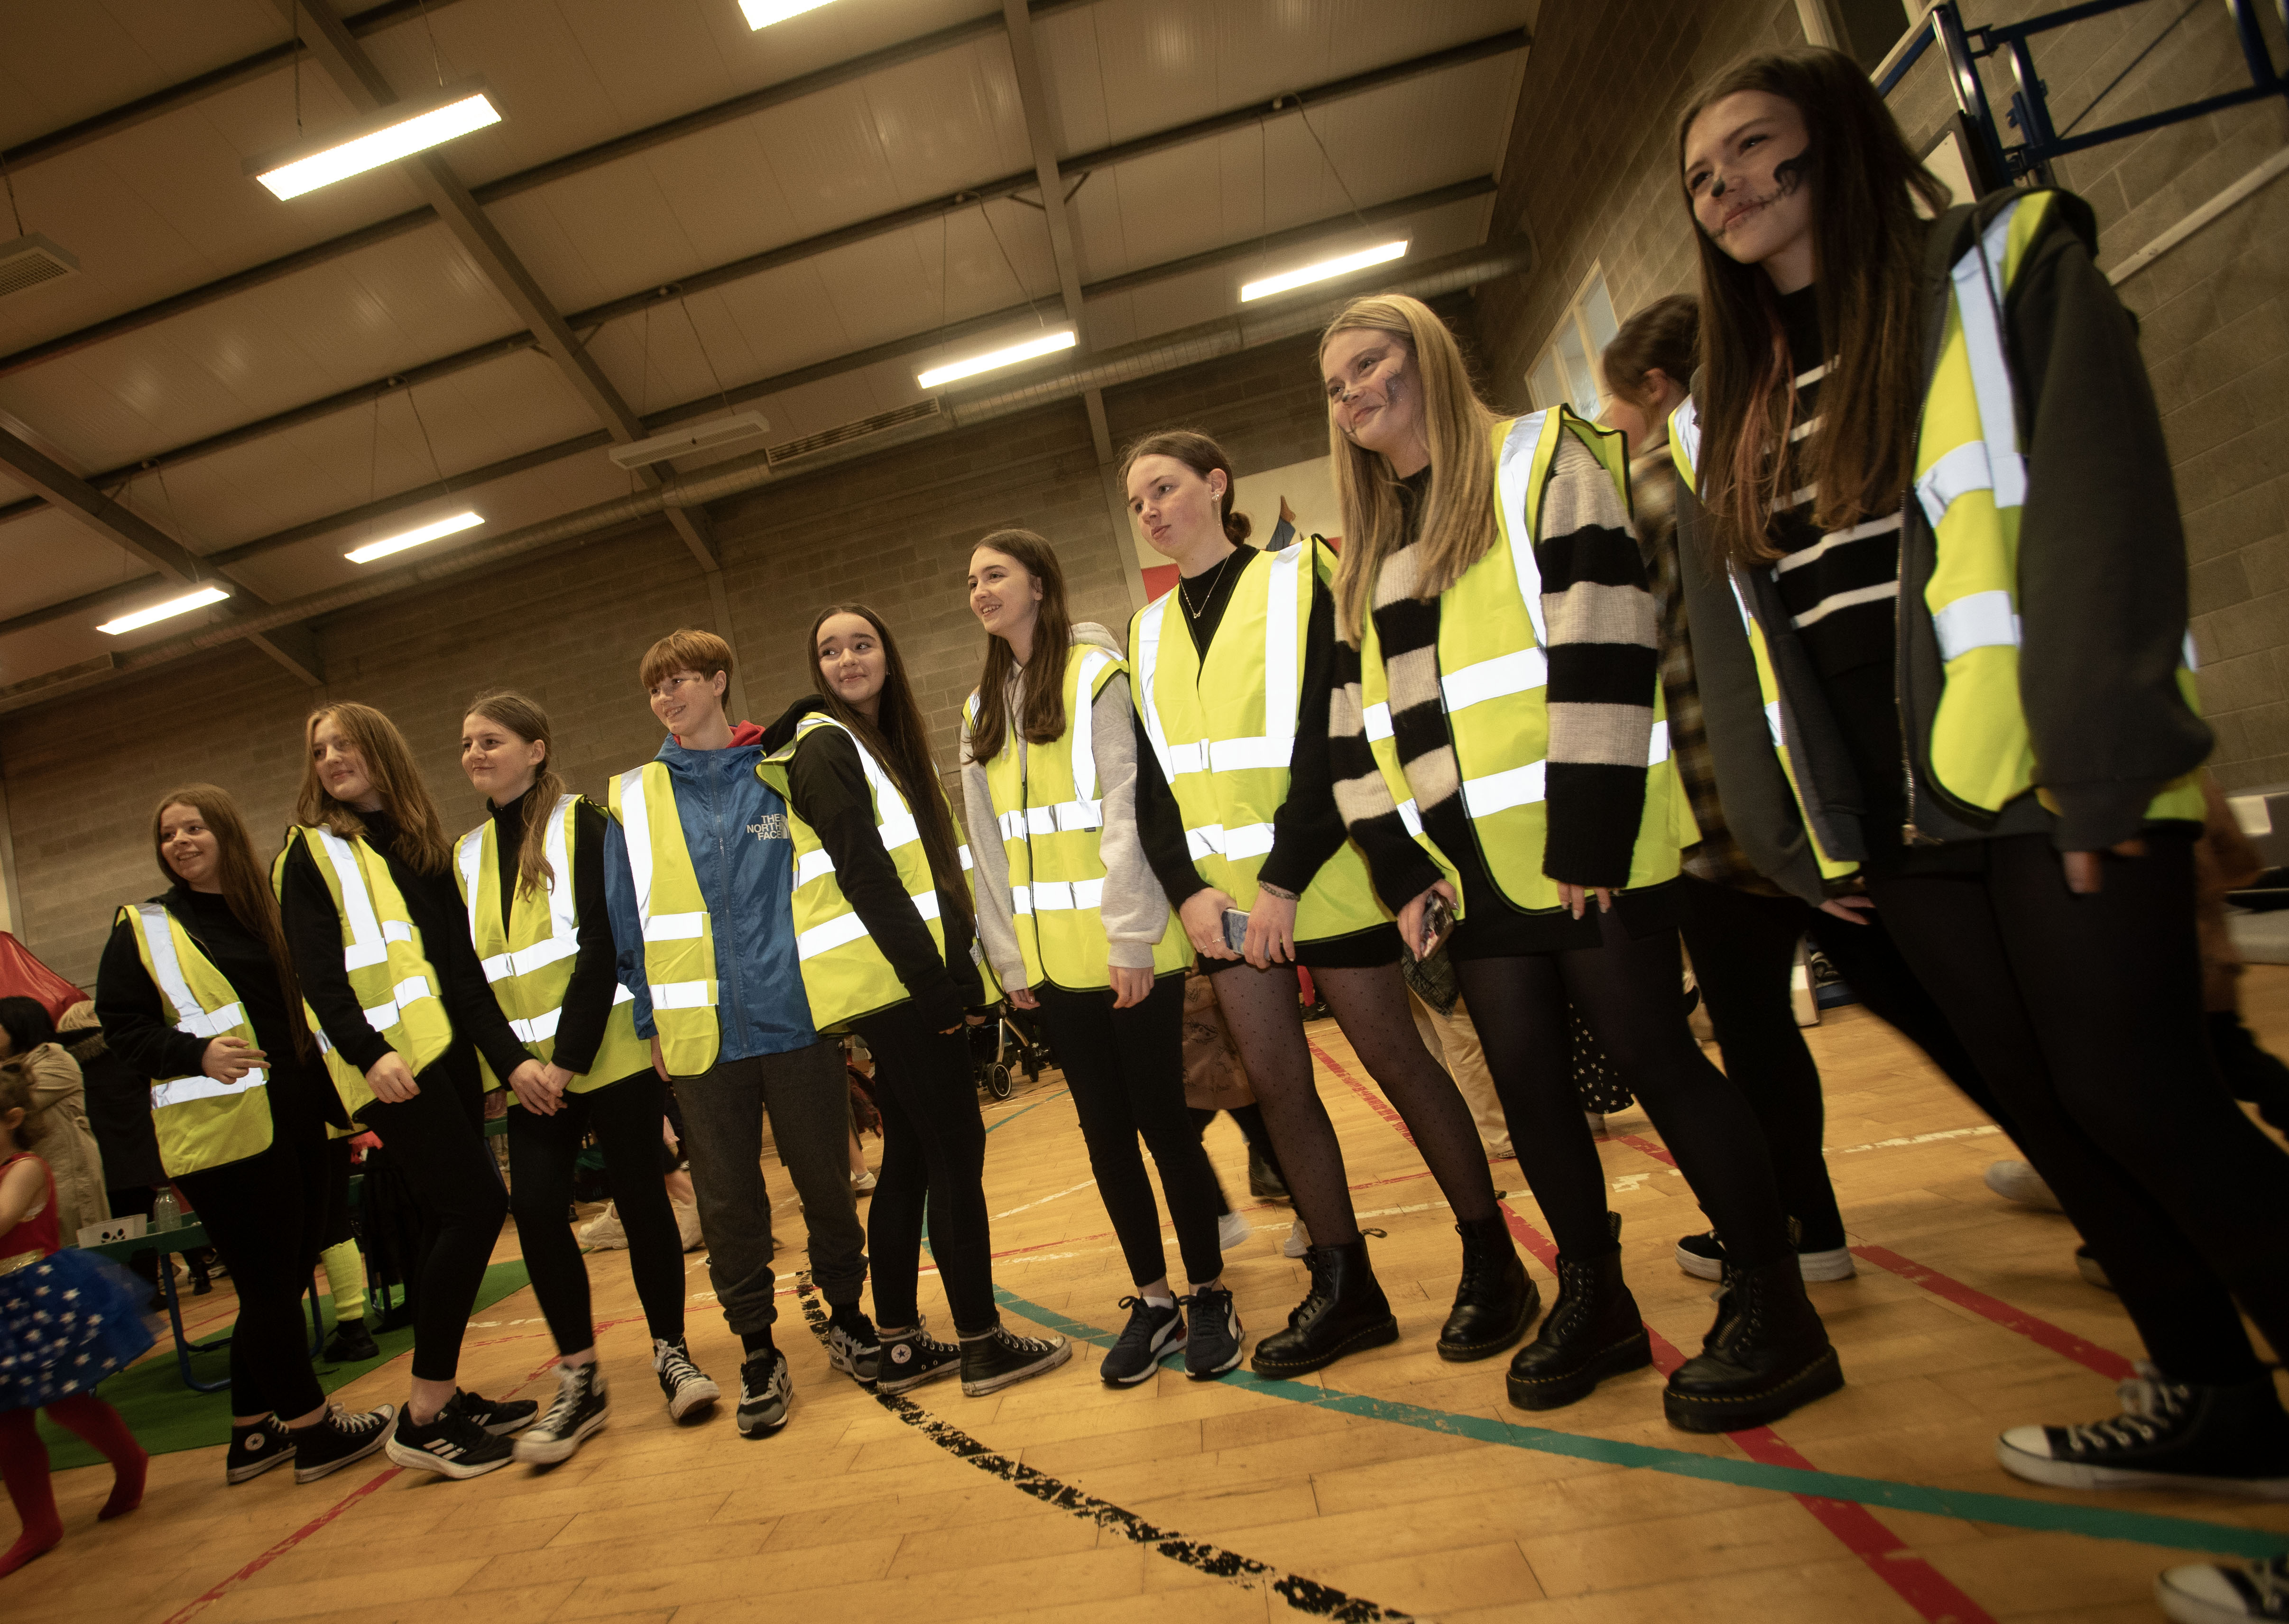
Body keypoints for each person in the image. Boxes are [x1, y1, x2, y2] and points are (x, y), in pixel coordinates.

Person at [1673, 45, 2289, 1535]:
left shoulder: (2003, 270)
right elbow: (1749, 644)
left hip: (2048, 780)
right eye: (1703, 177)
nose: (1729, 186)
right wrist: (1795, 835)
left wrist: (2101, 764)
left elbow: (2102, 512)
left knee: (2152, 1101)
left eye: (1755, 149)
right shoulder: (1731, 397)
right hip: (1894, 825)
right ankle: (2209, 1393)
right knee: (2058, 1115)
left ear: (1832, 140)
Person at [1320, 291, 1841, 1431]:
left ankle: (1776, 1302)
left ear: (1430, 355)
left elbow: (1610, 632)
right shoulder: (1368, 544)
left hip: (1584, 851)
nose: (1354, 392)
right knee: (1528, 1086)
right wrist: (1401, 874)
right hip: (1470, 878)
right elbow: (1348, 735)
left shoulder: (1539, 456)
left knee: (1660, 1060)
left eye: (1371, 363)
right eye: (1336, 381)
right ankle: (1594, 1297)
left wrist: (1591, 831)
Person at [1603, 293, 2011, 1285]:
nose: (1606, 427)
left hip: (1722, 808)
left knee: (1762, 1029)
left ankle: (1807, 1222)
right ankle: (2079, 1169)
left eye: (1611, 406)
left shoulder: (1651, 486)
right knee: (1918, 1002)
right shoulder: (1755, 467)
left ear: (1655, 390)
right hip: (1805, 798)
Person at [1123, 431, 1535, 1376]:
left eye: (1165, 488)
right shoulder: (1145, 629)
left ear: (1216, 484)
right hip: (1223, 909)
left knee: (1397, 1057)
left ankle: (1493, 1261)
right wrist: (1186, 890)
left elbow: (1330, 733)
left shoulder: (1301, 571)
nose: (1148, 509)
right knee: (1279, 1086)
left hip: (1327, 873)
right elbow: (1152, 781)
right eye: (1137, 499)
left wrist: (1283, 881)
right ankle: (1348, 1286)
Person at [757, 604, 1071, 1397]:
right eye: (829, 650)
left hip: (901, 978)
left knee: (908, 1159)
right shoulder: (827, 746)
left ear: (886, 657)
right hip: (893, 982)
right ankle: (981, 1341)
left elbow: (936, 873)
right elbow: (867, 876)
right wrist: (937, 989)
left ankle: (897, 1341)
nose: (847, 659)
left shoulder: (882, 748)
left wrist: (959, 972)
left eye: (860, 644)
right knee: (955, 1155)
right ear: (817, 669)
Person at [958, 531, 1243, 1385]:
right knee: (1105, 1140)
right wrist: (1008, 962)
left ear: (1040, 584)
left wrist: (1127, 936)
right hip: (1051, 971)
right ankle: (1153, 1299)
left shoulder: (1096, 678)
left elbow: (1127, 809)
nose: (979, 591)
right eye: (971, 581)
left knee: (1165, 1129)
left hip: (1129, 958)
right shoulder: (978, 711)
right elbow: (988, 848)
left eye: (995, 575)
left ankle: (1207, 1293)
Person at [602, 629, 877, 1440]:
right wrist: (651, 1021)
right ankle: (758, 1350)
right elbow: (627, 923)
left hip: (796, 1020)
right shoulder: (635, 796)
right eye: (655, 689)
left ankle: (851, 1319)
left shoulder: (781, 772)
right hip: (702, 1042)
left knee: (828, 1184)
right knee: (728, 1207)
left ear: (719, 682)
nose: (666, 698)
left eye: (680, 680)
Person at [95, 787, 397, 1489]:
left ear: (226, 831)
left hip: (303, 1117)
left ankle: (252, 1434)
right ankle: (314, 1432)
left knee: (288, 1278)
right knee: (265, 1284)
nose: (180, 841)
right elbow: (123, 1028)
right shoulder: (144, 926)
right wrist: (193, 1054)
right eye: (168, 833)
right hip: (223, 1132)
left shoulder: (270, 909)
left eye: (194, 827)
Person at [454, 693, 721, 1463]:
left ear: (535, 748)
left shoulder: (587, 824)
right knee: (536, 1208)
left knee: (643, 1202)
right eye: (467, 744)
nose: (475, 753)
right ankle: (580, 1377)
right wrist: (513, 1067)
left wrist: (563, 1061)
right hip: (530, 1076)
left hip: (605, 1055)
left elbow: (606, 943)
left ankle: (671, 1350)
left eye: (491, 740)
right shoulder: (464, 856)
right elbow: (467, 977)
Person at [277, 703, 541, 1479]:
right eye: (319, 748)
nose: (330, 758)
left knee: (442, 1220)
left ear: (382, 751)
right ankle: (424, 1415)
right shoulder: (310, 855)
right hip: (392, 1067)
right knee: (477, 1207)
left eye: (345, 743)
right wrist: (366, 1055)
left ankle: (446, 1394)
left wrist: (494, 1067)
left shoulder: (421, 848)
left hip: (447, 1060)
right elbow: (316, 976)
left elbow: (458, 971)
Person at [0, 1061, 150, 1576]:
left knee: (66, 1403)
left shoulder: (24, 1166)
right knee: (6, 1421)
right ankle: (38, 1525)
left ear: (13, 1117)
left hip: (33, 1295)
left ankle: (129, 1461)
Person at [0, 1000, 105, 1245]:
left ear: (19, 1025)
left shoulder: (55, 1061)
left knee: (71, 1251)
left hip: (67, 1177)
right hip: (29, 1176)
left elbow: (14, 1098)